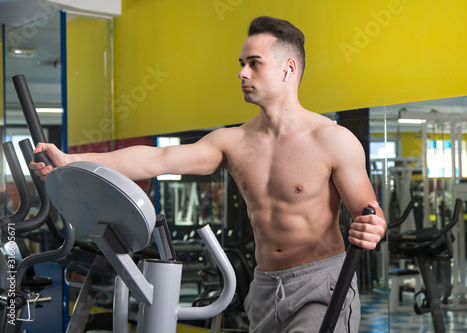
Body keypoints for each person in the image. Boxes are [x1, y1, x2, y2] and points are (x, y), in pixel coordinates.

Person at [32, 16, 386, 333]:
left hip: (319, 283)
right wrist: (70, 161)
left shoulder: (334, 141)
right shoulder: (233, 142)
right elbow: (159, 158)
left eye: (254, 64)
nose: (242, 73)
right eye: (241, 63)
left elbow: (369, 213)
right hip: (263, 286)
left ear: (288, 68)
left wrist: (372, 227)